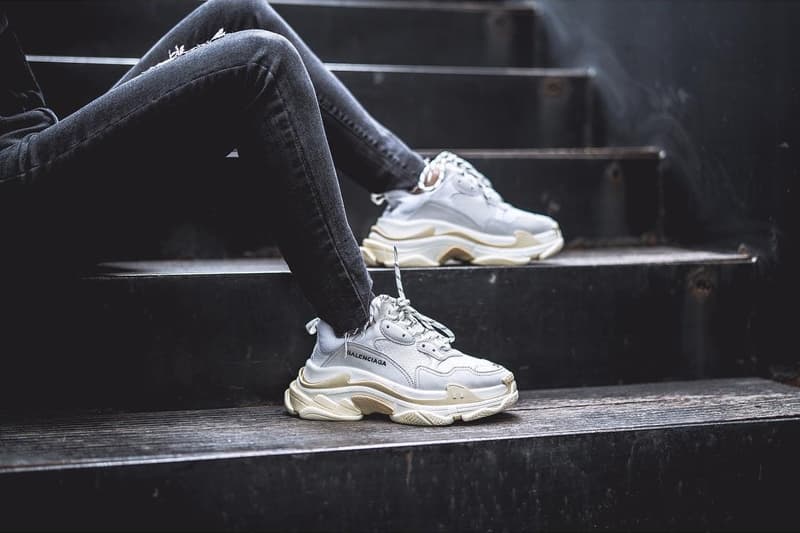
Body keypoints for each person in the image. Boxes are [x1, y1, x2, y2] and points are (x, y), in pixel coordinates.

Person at [0, 0, 563, 425]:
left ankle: (415, 190)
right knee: (263, 64)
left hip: (43, 155)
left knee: (236, 12)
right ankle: (354, 333)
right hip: (20, 198)